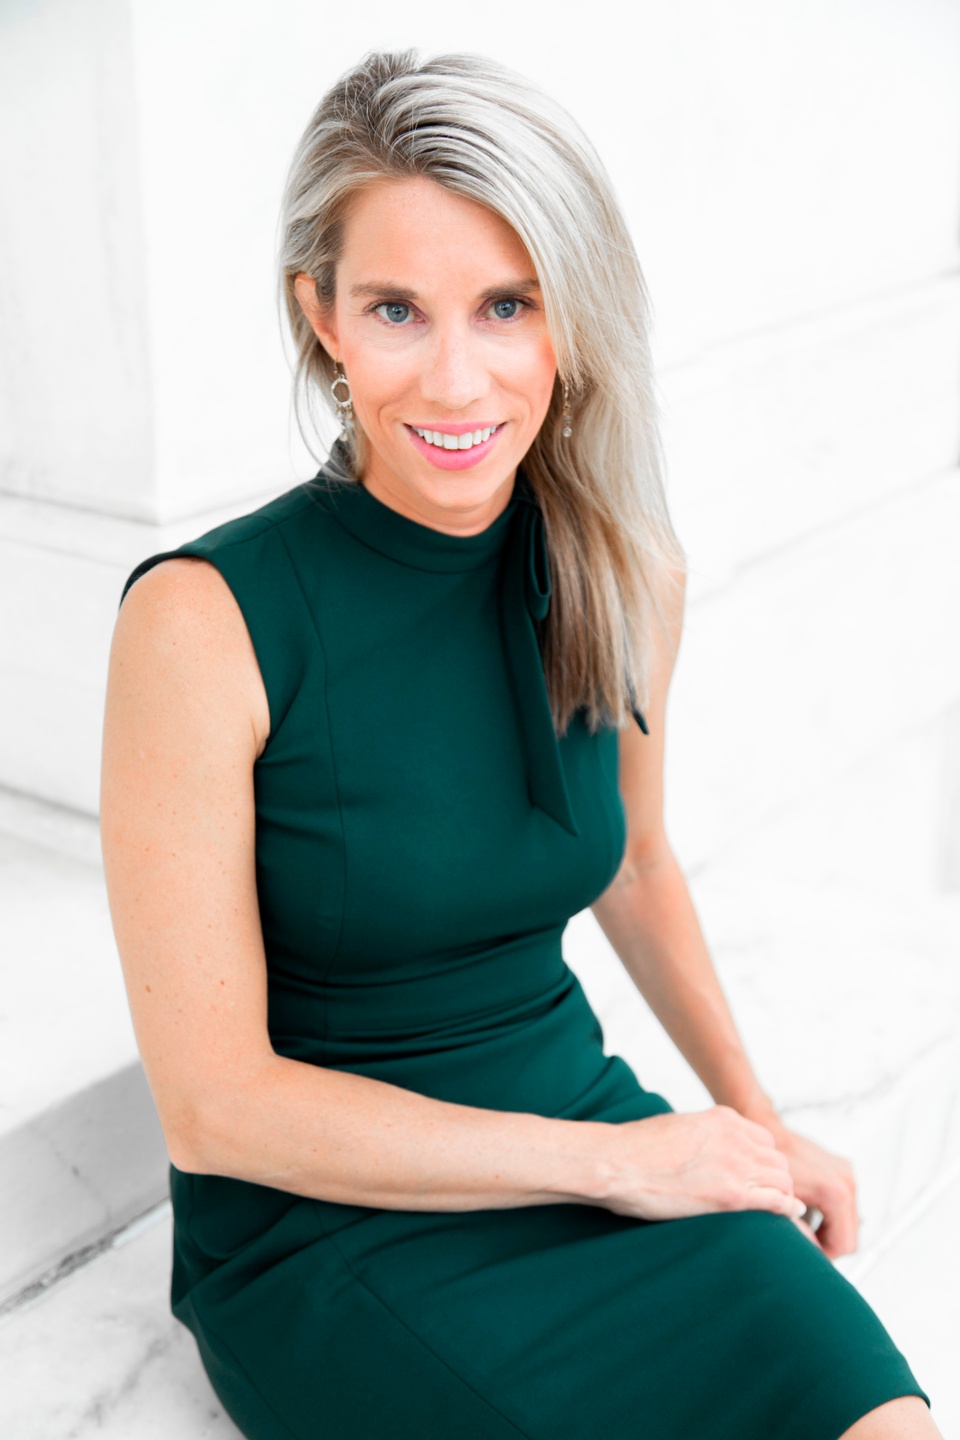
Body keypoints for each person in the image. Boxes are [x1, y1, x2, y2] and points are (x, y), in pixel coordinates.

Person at [100, 48, 937, 1440]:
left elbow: (638, 863)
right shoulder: (203, 623)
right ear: (320, 316)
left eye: (508, 305)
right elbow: (214, 1109)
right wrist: (619, 1165)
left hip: (588, 1132)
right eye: (395, 309)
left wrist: (750, 1123)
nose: (456, 378)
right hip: (326, 1225)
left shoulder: (625, 572)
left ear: (572, 317)